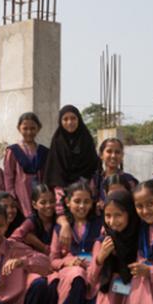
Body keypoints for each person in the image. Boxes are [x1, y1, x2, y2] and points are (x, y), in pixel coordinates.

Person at [48, 180, 102, 304]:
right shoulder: (61, 228)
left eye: (86, 201)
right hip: (71, 271)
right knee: (77, 275)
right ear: (67, 202)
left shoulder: (99, 225)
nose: (82, 206)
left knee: (105, 284)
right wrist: (70, 261)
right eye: (77, 201)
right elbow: (53, 260)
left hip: (94, 269)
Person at [43, 105, 100, 245]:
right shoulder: (57, 142)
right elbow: (56, 176)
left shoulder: (86, 140)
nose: (70, 122)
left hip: (86, 201)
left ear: (79, 119)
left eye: (73, 118)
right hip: (65, 200)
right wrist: (62, 213)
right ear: (60, 122)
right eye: (65, 119)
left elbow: (94, 170)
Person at [3, 112, 49, 216]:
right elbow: (8, 176)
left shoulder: (44, 152)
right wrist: (11, 196)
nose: (29, 132)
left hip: (39, 195)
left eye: (32, 128)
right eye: (25, 128)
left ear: (39, 128)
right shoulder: (13, 151)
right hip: (20, 196)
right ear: (19, 128)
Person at [93, 137, 138, 211]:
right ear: (101, 155)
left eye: (117, 152)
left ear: (122, 155)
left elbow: (135, 205)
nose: (113, 155)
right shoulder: (95, 180)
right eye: (109, 151)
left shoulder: (130, 181)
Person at [11, 183, 58, 253]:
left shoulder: (59, 219)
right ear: (34, 205)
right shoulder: (31, 221)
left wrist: (36, 243)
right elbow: (12, 240)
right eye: (43, 202)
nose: (48, 205)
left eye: (52, 201)